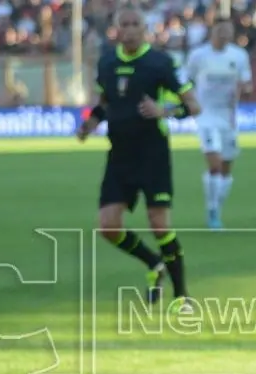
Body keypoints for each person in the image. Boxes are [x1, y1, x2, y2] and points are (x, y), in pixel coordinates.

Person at [76, 7, 202, 311]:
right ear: (116, 29)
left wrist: (165, 111)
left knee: (159, 224)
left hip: (152, 156)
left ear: (144, 29)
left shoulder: (159, 63)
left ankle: (182, 296)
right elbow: (106, 101)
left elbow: (193, 106)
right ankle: (153, 262)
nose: (130, 29)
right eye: (125, 24)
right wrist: (90, 124)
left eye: (135, 24)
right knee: (108, 227)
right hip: (119, 156)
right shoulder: (107, 62)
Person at [184, 19, 252, 229]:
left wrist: (245, 91)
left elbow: (246, 82)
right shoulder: (198, 55)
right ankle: (212, 211)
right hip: (206, 116)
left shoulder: (239, 56)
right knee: (214, 164)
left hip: (228, 118)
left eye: (228, 31)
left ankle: (216, 207)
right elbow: (185, 80)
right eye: (221, 30)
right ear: (213, 31)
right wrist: (190, 103)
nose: (224, 34)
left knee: (225, 169)